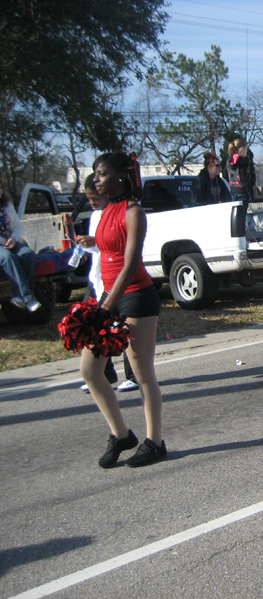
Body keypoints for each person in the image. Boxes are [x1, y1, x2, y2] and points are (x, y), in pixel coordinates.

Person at [81, 151, 166, 468]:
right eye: (95, 174)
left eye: (102, 173)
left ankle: (155, 442)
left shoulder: (134, 212)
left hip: (135, 297)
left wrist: (106, 307)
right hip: (109, 297)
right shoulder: (105, 210)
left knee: (142, 374)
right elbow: (107, 251)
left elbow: (130, 266)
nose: (96, 179)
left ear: (121, 176)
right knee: (90, 371)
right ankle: (121, 434)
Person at [76, 175, 138, 394]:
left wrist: (94, 242)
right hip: (97, 279)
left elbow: (118, 247)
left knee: (125, 327)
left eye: (95, 198)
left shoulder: (124, 212)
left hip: (117, 280)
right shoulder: (96, 215)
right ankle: (104, 373)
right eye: (89, 199)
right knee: (89, 324)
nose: (92, 203)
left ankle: (134, 375)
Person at [0, 181, 42, 313]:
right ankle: (28, 298)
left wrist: (13, 238)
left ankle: (18, 296)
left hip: (9, 241)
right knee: (8, 257)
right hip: (2, 245)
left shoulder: (7, 204)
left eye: (0, 187)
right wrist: (4, 241)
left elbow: (17, 226)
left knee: (28, 254)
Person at [225, 137, 254, 209]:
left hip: (233, 191)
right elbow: (244, 178)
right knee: (242, 213)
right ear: (242, 149)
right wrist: (250, 194)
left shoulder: (229, 161)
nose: (246, 151)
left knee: (235, 213)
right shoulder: (242, 161)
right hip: (242, 192)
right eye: (246, 149)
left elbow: (225, 175)